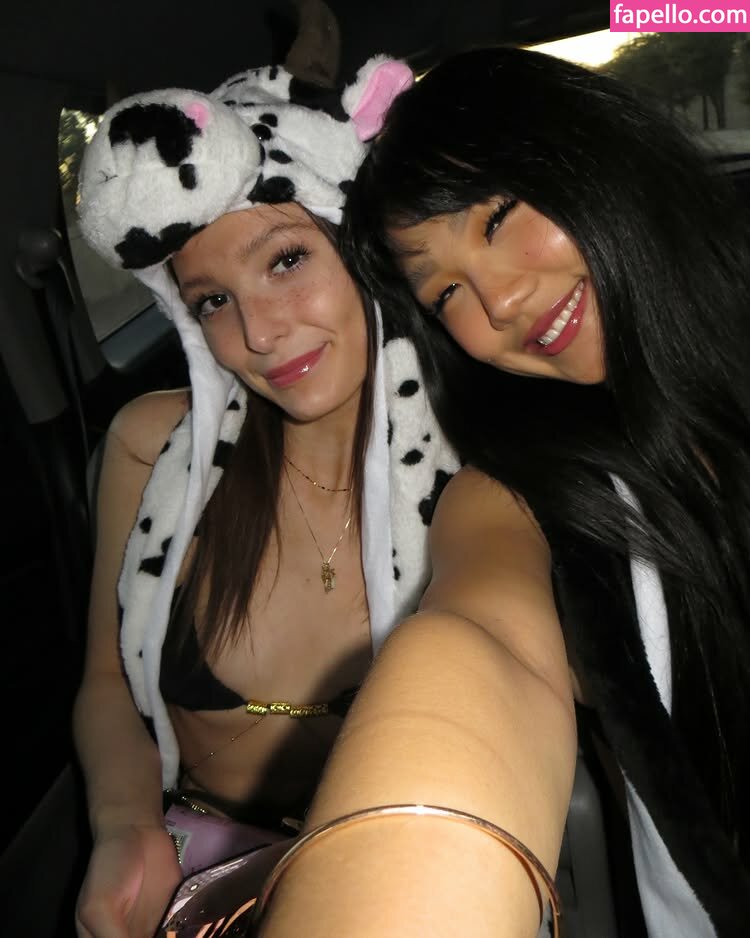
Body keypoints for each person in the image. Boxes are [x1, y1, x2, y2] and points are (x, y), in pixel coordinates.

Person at [73, 53, 575, 938]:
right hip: (187, 880)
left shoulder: (486, 467)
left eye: (287, 259)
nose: (259, 332)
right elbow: (109, 681)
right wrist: (125, 826)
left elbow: (496, 646)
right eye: (212, 300)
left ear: (360, 243)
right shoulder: (153, 450)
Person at [336, 44, 750, 938]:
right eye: (446, 292)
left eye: (496, 217)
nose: (500, 303)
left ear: (593, 148)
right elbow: (478, 635)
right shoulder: (522, 494)